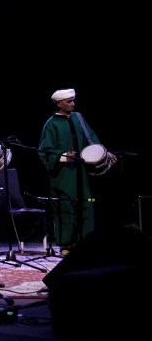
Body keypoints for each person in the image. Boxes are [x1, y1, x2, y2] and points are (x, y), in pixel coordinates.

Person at [38, 88, 117, 253]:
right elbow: (45, 151)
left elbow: (91, 138)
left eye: (74, 100)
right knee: (66, 208)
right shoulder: (51, 124)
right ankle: (66, 245)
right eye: (69, 101)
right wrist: (63, 156)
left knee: (86, 205)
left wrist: (104, 151)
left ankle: (87, 243)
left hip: (82, 172)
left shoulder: (79, 118)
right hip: (64, 174)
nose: (73, 104)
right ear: (59, 103)